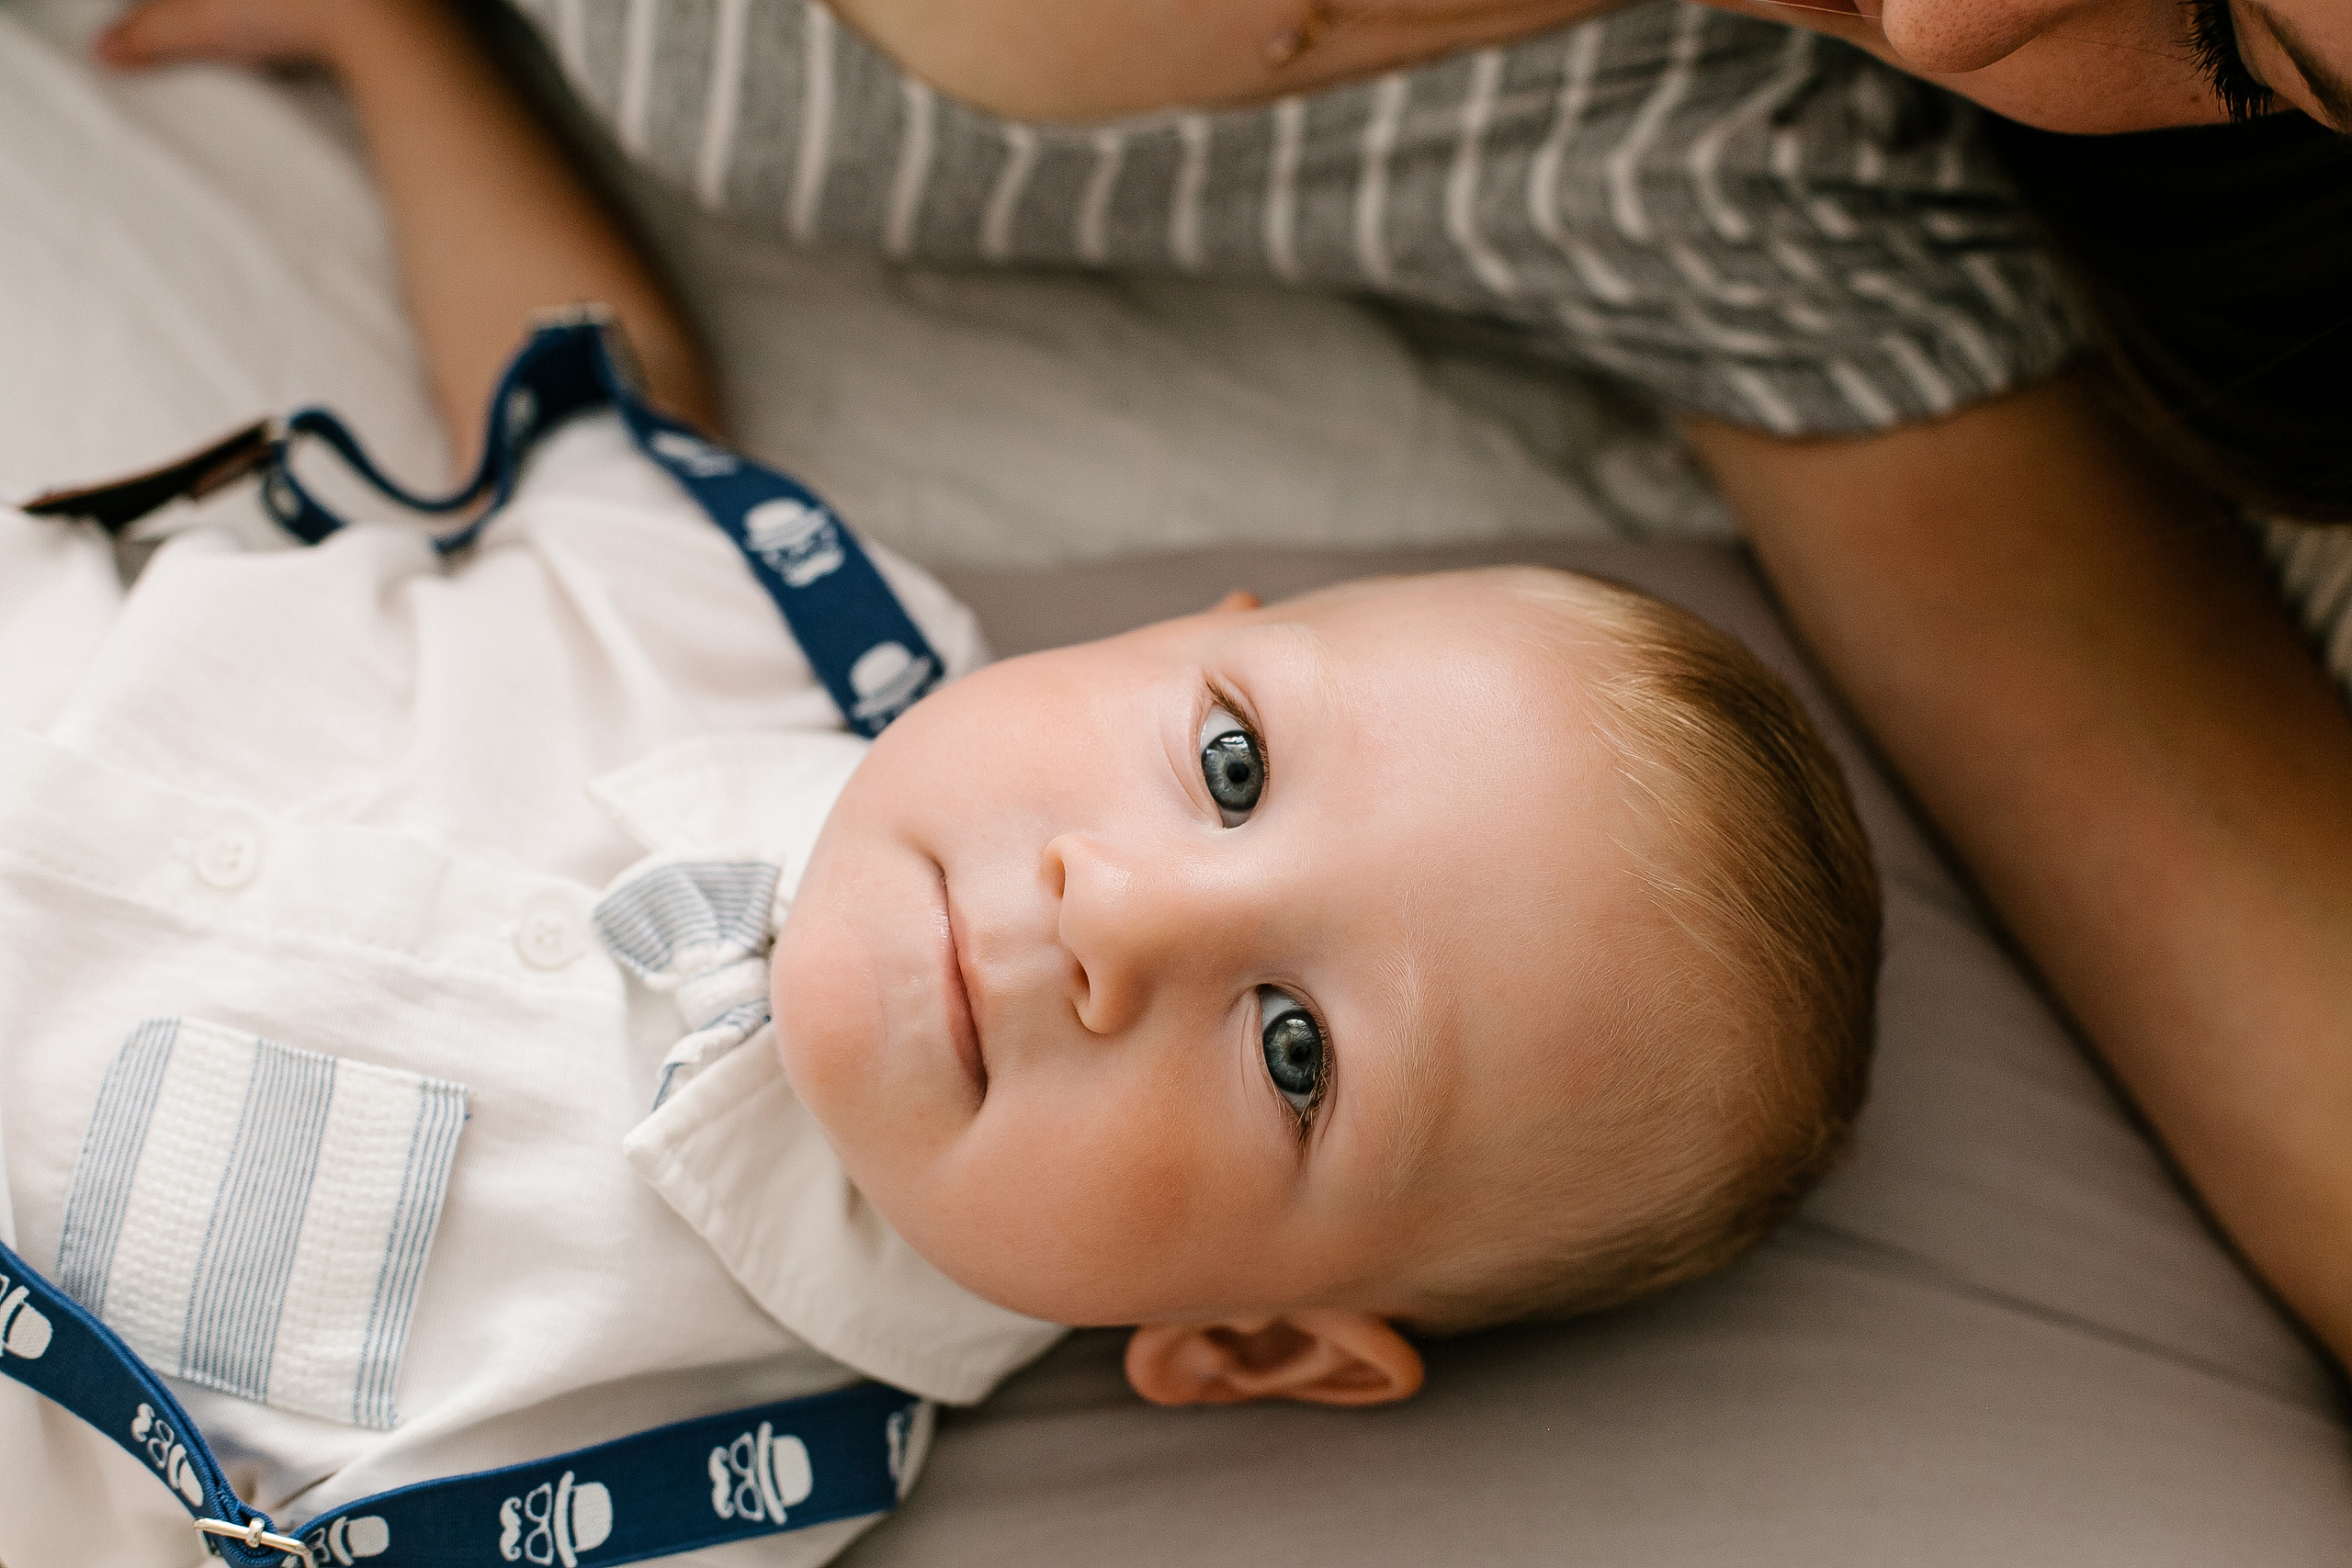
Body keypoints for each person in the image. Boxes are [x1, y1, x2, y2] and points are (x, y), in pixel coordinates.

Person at [96, 0, 2352, 1399]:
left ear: (1262, 1338)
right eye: (1230, 763)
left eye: (2235, 41)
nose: (1950, 11)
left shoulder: (1769, 195)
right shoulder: (748, 633)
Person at [0, 1, 1883, 1560]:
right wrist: (397, 43)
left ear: (1251, 1341)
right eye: (1230, 762)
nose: (1118, 909)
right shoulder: (787, 623)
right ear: (1180, 631)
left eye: (1296, 1049)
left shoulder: (661, 1474)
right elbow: (603, 401)